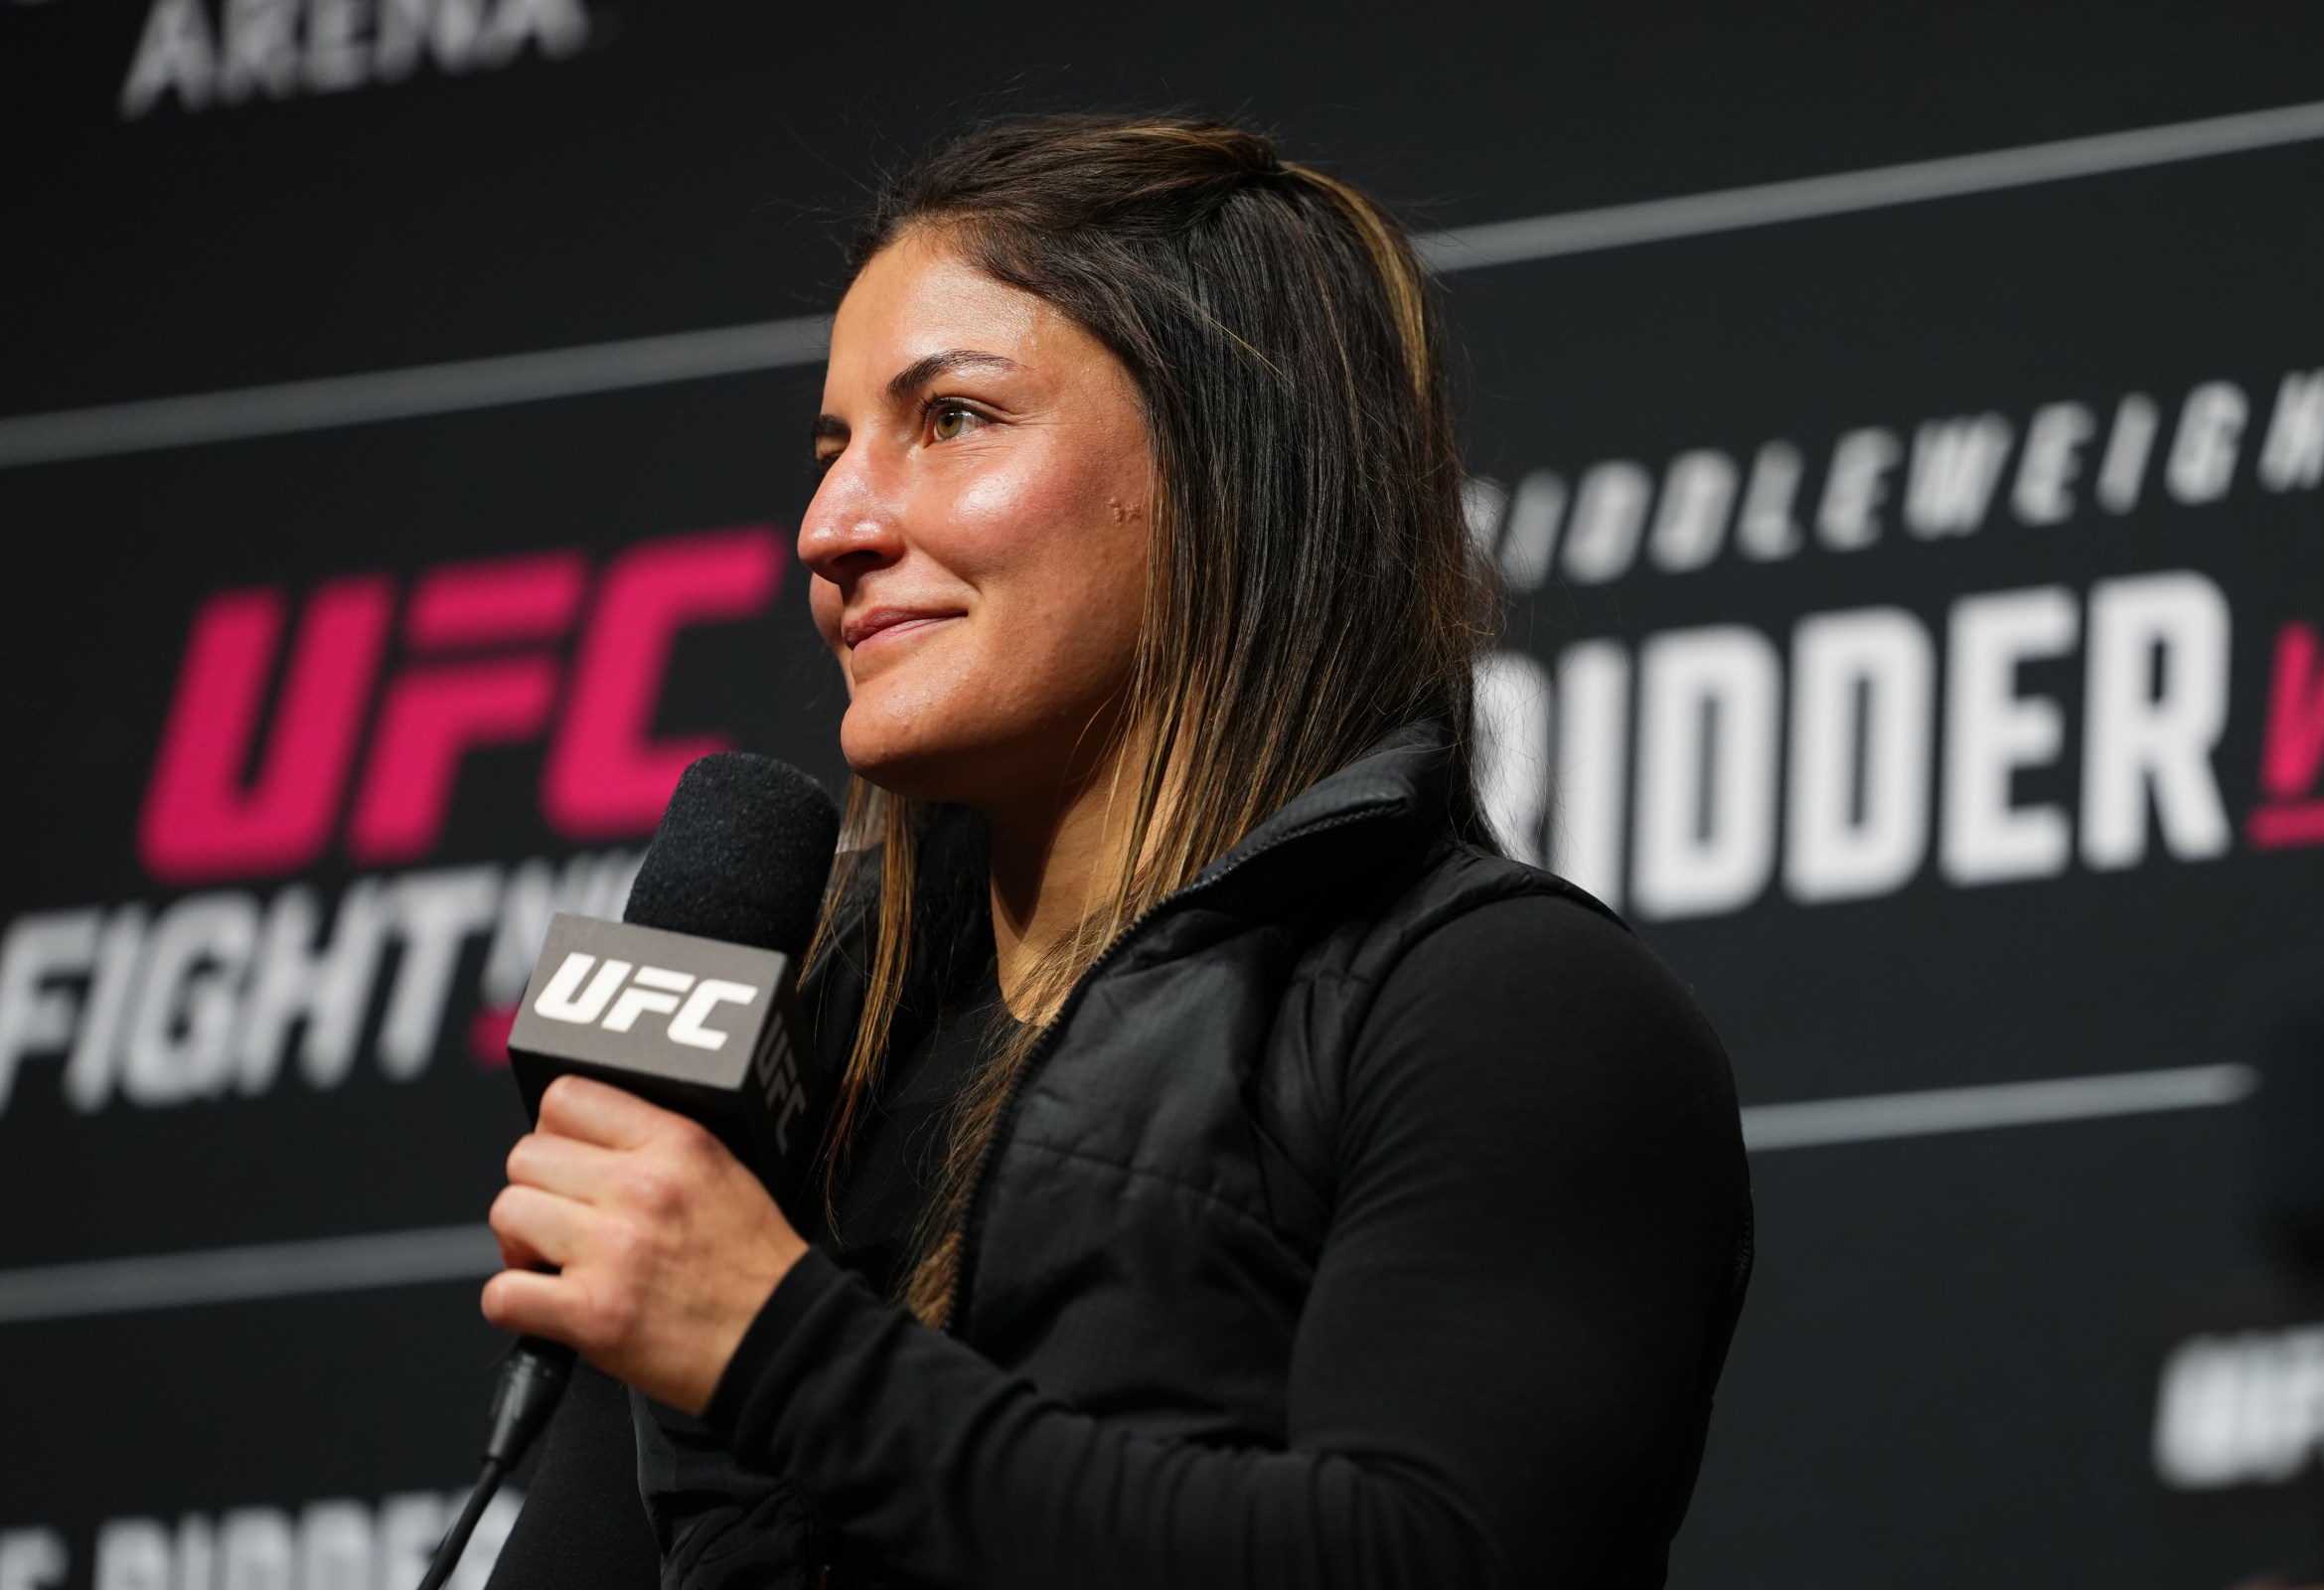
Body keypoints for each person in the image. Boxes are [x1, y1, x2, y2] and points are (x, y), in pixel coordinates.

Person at [481, 111, 1751, 1590]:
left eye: (950, 418)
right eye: (831, 451)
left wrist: (775, 1348)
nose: (831, 526)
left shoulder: (1501, 1005)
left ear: (1226, 460)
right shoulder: (807, 1067)